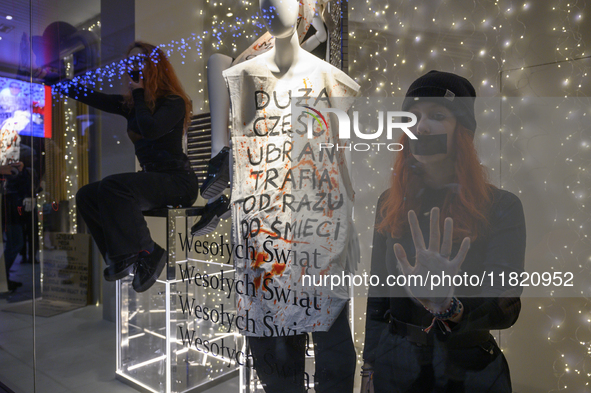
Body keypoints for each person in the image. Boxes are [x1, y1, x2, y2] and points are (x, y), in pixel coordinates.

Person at [223, 0, 360, 392]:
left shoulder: (331, 79)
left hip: (318, 233)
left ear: (307, 9)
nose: (273, 5)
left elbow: (341, 163)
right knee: (277, 363)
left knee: (333, 355)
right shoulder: (241, 75)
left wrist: (348, 230)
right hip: (264, 236)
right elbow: (236, 163)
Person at [361, 70, 526, 392]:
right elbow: (378, 296)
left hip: (469, 367)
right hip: (397, 364)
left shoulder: (501, 206)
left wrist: (448, 305)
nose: (421, 126)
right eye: (413, 116)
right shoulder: (390, 202)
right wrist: (369, 367)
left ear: (462, 131)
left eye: (437, 115)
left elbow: (505, 305)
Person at [56, 41, 198, 293]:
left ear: (154, 65)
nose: (133, 65)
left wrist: (140, 93)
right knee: (86, 195)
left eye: (139, 60)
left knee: (113, 185)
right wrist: (56, 82)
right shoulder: (133, 105)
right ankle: (119, 256)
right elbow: (93, 97)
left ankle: (149, 252)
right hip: (154, 179)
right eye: (129, 61)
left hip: (178, 181)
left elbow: (151, 129)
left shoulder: (174, 101)